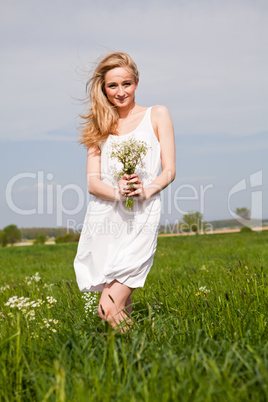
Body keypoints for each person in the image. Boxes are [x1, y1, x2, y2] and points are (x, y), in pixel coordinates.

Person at [74, 52, 176, 330]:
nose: (121, 92)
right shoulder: (98, 126)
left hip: (140, 217)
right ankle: (131, 366)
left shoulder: (157, 114)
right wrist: (118, 192)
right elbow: (93, 184)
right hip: (105, 219)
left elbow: (169, 170)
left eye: (126, 84)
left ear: (137, 83)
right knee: (120, 309)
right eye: (112, 86)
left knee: (108, 308)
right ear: (104, 88)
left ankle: (148, 362)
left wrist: (146, 190)